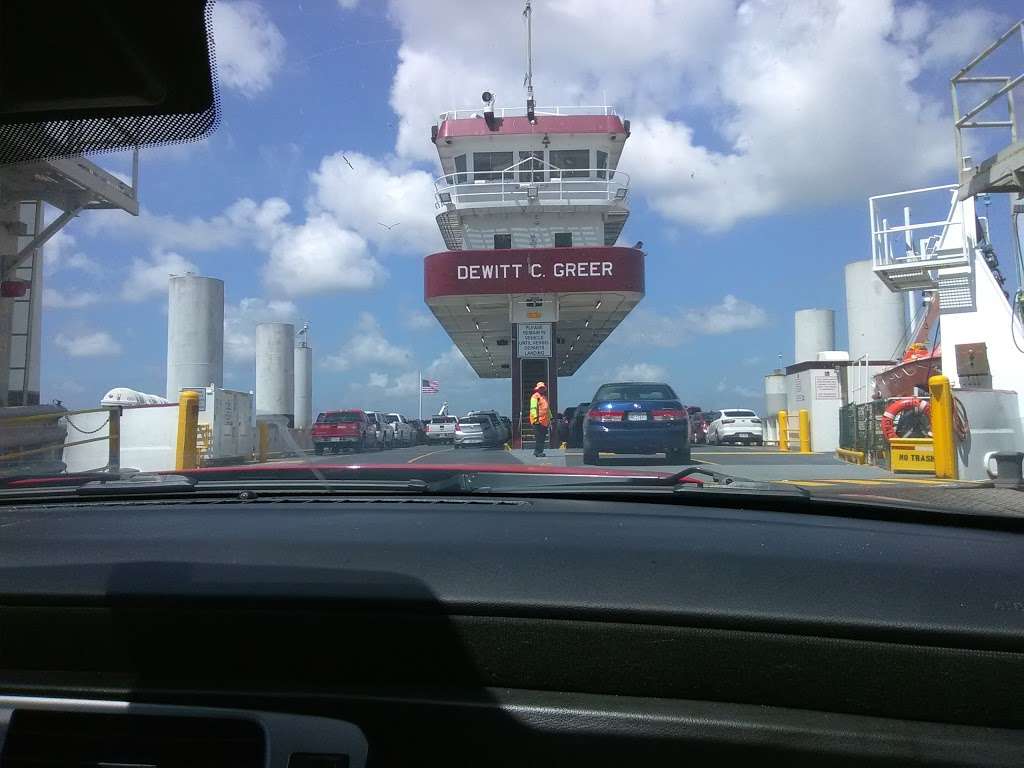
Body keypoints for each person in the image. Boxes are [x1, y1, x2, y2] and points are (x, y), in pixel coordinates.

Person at [529, 381, 550, 457]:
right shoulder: (535, 397)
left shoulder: (544, 397)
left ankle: (540, 451)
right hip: (537, 421)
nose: (542, 389)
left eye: (543, 388)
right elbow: (533, 408)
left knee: (542, 438)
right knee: (539, 437)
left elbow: (547, 409)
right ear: (537, 389)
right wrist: (536, 419)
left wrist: (551, 417)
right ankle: (537, 452)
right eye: (540, 388)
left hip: (544, 421)